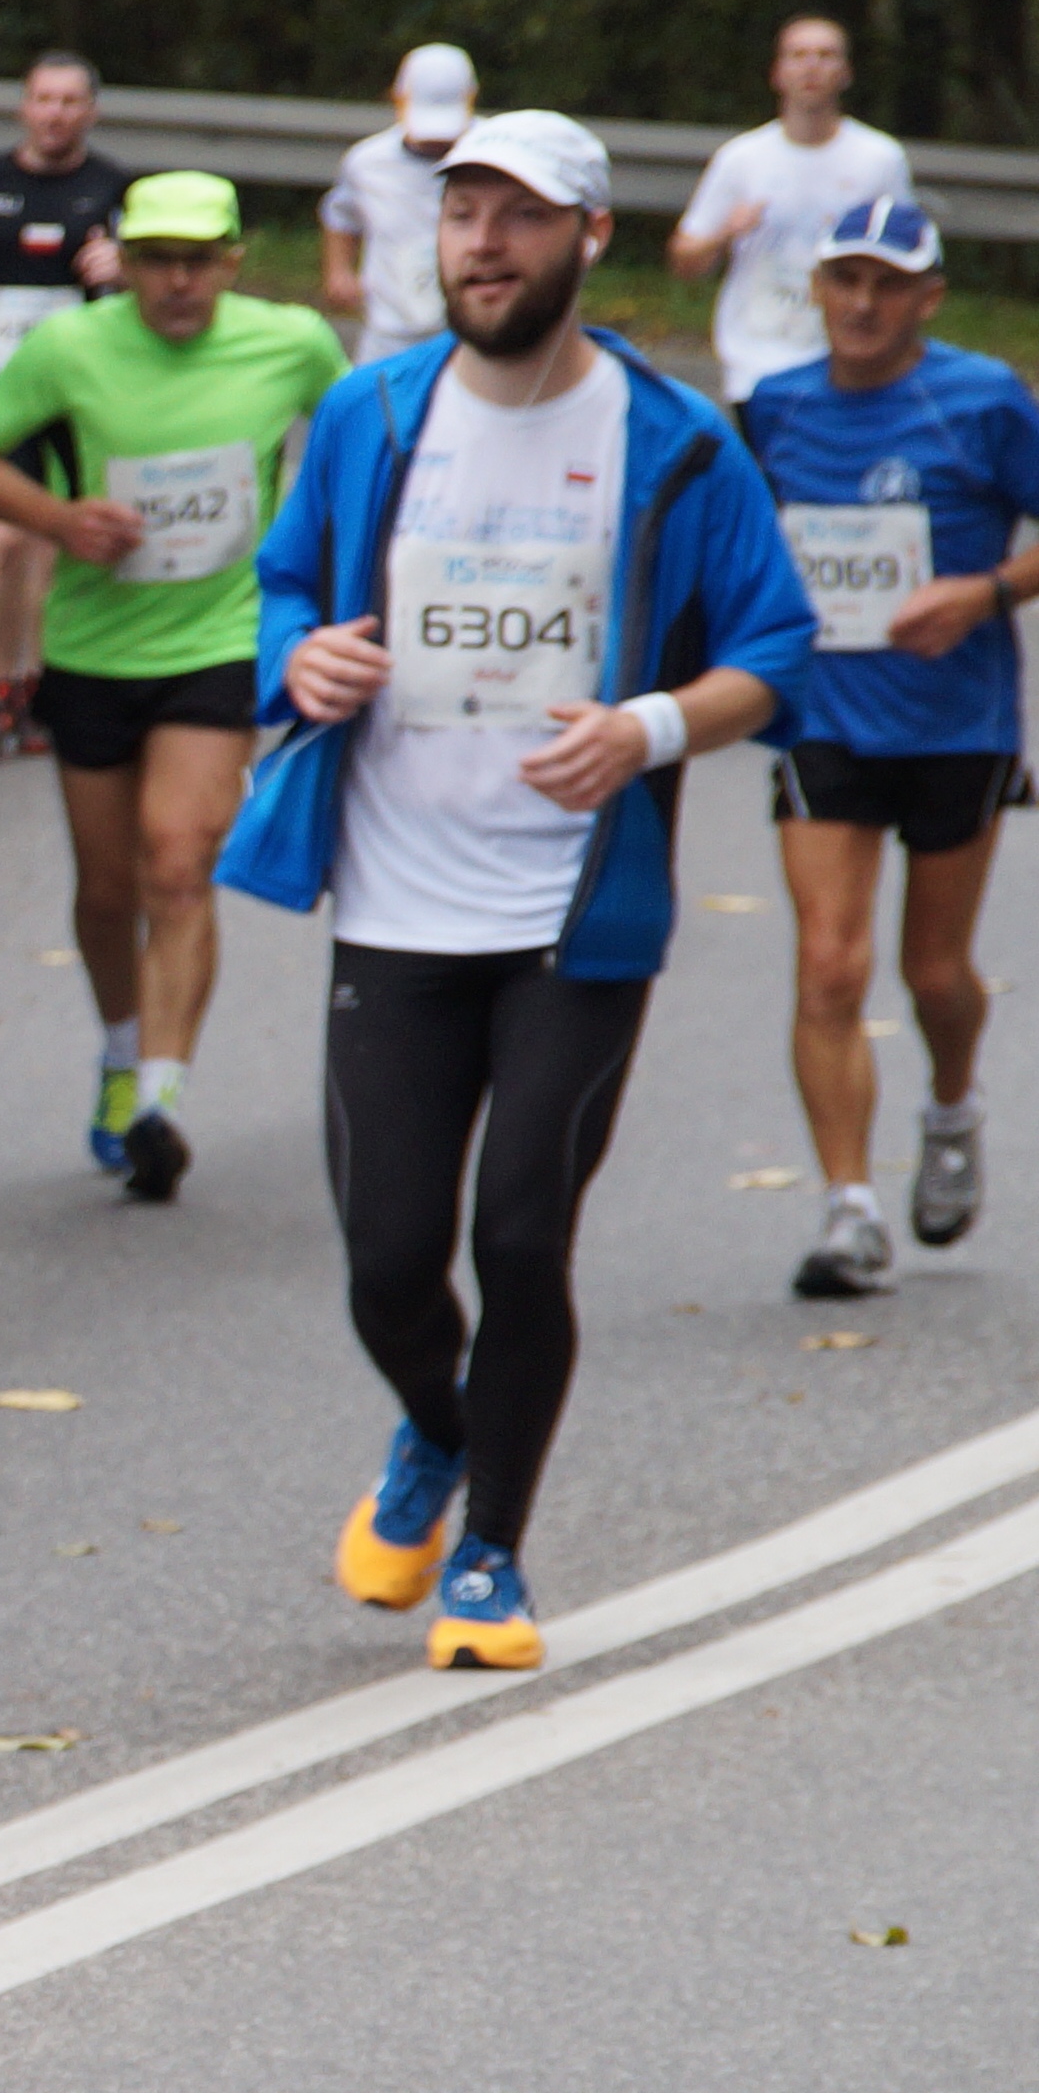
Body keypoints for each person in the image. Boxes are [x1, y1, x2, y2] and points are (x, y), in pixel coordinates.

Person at [223, 114, 813, 1672]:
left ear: (589, 239)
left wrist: (647, 727)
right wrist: (298, 655)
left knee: (519, 1230)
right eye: (460, 211)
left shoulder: (676, 440)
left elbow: (773, 644)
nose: (481, 242)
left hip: (572, 914)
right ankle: (432, 1425)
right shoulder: (368, 412)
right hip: (392, 906)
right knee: (384, 1261)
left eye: (518, 217)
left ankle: (487, 1549)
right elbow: (283, 581)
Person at [0, 169, 347, 1202]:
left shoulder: (290, 342)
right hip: (88, 648)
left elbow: (356, 446)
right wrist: (57, 520)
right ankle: (120, 1054)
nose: (176, 282)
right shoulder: (66, 349)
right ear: (121, 262)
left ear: (229, 262)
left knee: (177, 863)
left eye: (196, 262)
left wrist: (314, 557)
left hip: (220, 641)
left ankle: (160, 1097)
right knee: (104, 888)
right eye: (156, 261)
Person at [732, 195, 1039, 1295]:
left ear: (926, 297)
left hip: (956, 720)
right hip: (823, 718)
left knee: (931, 971)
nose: (860, 305)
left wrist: (980, 591)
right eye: (842, 281)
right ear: (814, 290)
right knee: (826, 963)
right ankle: (847, 1211)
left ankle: (950, 1104)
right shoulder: (771, 408)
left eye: (885, 284)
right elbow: (736, 540)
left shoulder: (979, 401)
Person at [0, 54, 132, 761]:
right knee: (5, 535)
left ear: (90, 111)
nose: (55, 113)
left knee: (56, 531)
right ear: (23, 106)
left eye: (70, 101)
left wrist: (121, 267)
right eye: (43, 99)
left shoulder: (110, 187)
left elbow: (150, 267)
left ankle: (45, 685)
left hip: (80, 385)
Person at [668, 15, 912, 406]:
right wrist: (725, 232)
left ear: (846, 73)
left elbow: (908, 262)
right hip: (755, 362)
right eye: (798, 55)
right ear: (778, 73)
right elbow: (684, 262)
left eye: (826, 55)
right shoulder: (741, 158)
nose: (812, 66)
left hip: (844, 362)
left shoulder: (879, 159)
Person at [318, 44, 477, 363]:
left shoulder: (495, 156)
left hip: (471, 333)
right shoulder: (368, 162)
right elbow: (340, 215)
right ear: (397, 99)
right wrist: (339, 270)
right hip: (391, 334)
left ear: (471, 99)